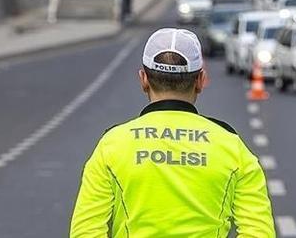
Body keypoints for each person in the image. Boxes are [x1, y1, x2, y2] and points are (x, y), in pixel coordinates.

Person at [70, 28, 275, 237]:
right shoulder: (232, 147)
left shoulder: (112, 145)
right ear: (200, 81)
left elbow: (86, 231)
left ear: (143, 79)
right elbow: (258, 232)